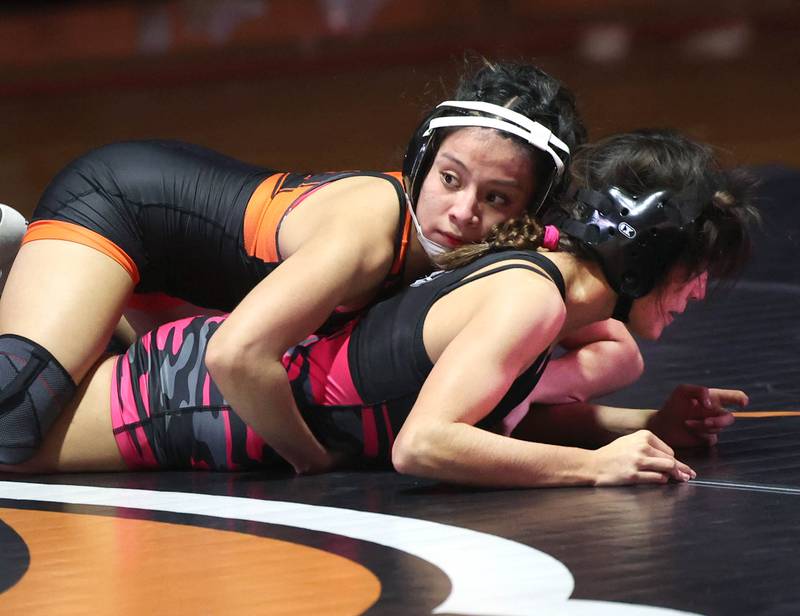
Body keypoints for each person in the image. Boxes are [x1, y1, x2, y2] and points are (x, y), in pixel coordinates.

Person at [0, 129, 758, 487]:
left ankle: (52, 301)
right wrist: (592, 468)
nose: (697, 293)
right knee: (9, 437)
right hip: (188, 400)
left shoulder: (537, 288)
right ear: (648, 259)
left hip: (217, 383)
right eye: (695, 273)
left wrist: (642, 424)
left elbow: (489, 413)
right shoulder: (529, 298)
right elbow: (424, 444)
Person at [0, 59, 607, 469]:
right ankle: (29, 263)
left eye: (496, 198)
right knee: (14, 418)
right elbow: (237, 355)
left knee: (67, 396)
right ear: (423, 163)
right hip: (117, 208)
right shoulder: (368, 236)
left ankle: (52, 295)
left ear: (532, 212)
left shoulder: (503, 262)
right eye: (450, 179)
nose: (463, 211)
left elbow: (597, 353)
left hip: (181, 286)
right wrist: (311, 459)